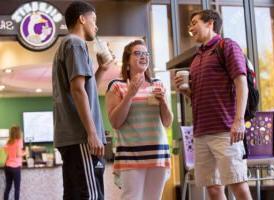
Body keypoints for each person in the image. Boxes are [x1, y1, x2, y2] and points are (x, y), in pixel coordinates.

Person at [174, 10, 253, 200]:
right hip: (201, 133)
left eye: (194, 23)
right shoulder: (196, 59)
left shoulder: (227, 46)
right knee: (213, 188)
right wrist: (187, 92)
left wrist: (239, 120)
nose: (190, 28)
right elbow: (200, 97)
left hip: (226, 130)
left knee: (238, 184)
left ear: (210, 23)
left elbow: (241, 83)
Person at [52, 1, 109, 199]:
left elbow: (83, 88)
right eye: (94, 20)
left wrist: (102, 69)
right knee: (91, 196)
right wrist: (92, 133)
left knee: (75, 195)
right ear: (82, 19)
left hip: (73, 139)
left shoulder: (67, 45)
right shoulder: (75, 43)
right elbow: (77, 90)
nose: (96, 26)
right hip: (81, 137)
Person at [105, 40, 173, 200]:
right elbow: (115, 122)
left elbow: (168, 122)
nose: (143, 56)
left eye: (145, 53)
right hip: (130, 155)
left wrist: (163, 101)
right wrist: (130, 94)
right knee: (132, 197)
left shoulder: (158, 84)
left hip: (158, 154)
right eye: (137, 53)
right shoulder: (117, 86)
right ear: (127, 60)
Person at [4, 126, 24, 200]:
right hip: (15, 167)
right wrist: (25, 153)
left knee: (8, 187)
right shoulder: (19, 141)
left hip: (7, 166)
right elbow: (18, 154)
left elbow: (7, 153)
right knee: (17, 189)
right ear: (18, 132)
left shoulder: (8, 142)